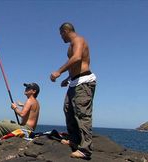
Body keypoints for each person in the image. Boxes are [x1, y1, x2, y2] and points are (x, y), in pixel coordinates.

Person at [50, 22, 96, 159]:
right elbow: (76, 65)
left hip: (84, 82)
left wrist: (58, 72)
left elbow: (77, 58)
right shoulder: (71, 44)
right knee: (68, 109)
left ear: (65, 31)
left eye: (61, 35)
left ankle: (85, 150)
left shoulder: (78, 40)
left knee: (83, 114)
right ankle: (74, 140)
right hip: (75, 81)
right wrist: (68, 78)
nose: (61, 38)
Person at [0, 82, 40, 148]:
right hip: (29, 129)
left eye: (28, 88)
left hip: (25, 129)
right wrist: (23, 105)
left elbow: (22, 114)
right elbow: (31, 109)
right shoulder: (35, 102)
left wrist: (15, 108)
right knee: (5, 121)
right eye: (26, 87)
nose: (26, 89)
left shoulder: (29, 100)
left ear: (34, 91)